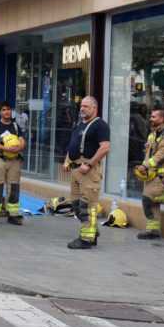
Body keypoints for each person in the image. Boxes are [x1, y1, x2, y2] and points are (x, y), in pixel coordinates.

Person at [63, 96, 110, 249]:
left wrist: (89, 164)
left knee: (86, 205)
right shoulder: (80, 124)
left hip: (88, 171)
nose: (82, 108)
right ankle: (93, 231)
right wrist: (67, 160)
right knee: (76, 205)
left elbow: (105, 148)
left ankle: (86, 240)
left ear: (94, 108)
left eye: (86, 106)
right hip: (76, 170)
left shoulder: (100, 125)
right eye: (81, 106)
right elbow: (73, 144)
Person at [137, 108, 164, 240]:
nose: (150, 119)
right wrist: (142, 172)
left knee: (150, 198)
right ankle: (153, 231)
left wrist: (145, 166)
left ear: (161, 119)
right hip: (150, 174)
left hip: (161, 175)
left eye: (154, 117)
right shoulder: (152, 134)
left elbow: (161, 155)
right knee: (150, 204)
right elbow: (147, 155)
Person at [0, 99, 27, 226]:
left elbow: (22, 141)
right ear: (0, 112)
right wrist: (6, 149)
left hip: (14, 161)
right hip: (0, 159)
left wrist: (20, 147)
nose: (7, 112)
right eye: (4, 110)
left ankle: (13, 215)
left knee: (14, 187)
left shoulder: (16, 126)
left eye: (8, 109)